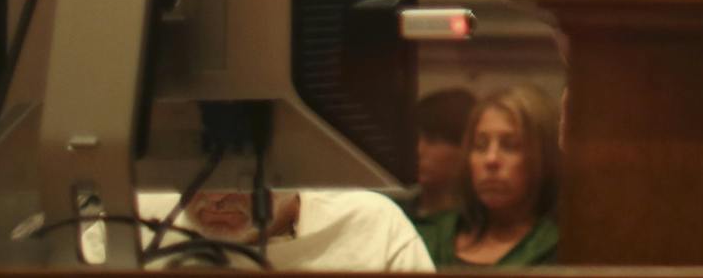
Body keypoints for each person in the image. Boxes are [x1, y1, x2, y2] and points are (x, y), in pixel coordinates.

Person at [414, 85, 558, 268]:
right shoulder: (428, 235)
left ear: (544, 156)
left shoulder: (560, 247)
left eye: (510, 146)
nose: (491, 160)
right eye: (480, 146)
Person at [130, 188, 434, 270]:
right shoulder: (134, 218)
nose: (217, 197)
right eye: (200, 176)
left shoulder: (371, 224)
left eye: (241, 178)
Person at [411, 88, 476, 221]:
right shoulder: (391, 213)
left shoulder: (476, 225)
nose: (418, 150)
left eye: (432, 141)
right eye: (414, 138)